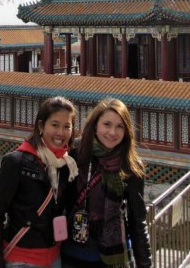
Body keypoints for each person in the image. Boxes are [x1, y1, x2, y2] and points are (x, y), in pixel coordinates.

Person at [0, 96, 79, 268]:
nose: (60, 133)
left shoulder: (67, 166)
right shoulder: (16, 162)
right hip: (21, 260)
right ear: (41, 126)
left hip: (54, 257)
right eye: (55, 125)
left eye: (67, 127)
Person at [61, 98, 151, 268]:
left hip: (112, 257)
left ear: (126, 131)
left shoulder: (130, 167)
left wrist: (145, 263)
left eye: (120, 126)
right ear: (95, 125)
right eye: (107, 124)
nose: (112, 132)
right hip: (72, 253)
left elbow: (137, 220)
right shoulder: (75, 154)